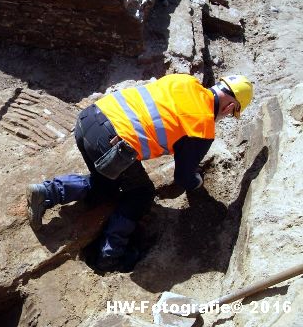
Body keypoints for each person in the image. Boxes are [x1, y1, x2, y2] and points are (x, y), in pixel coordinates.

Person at [27, 73, 253, 272]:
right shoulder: (203, 127)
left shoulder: (185, 80)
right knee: (141, 194)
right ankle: (109, 257)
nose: (226, 117)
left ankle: (47, 191)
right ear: (229, 107)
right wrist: (196, 183)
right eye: (232, 114)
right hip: (112, 142)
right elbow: (183, 177)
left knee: (105, 184)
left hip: (89, 118)